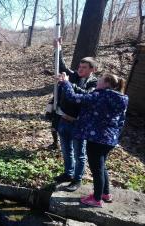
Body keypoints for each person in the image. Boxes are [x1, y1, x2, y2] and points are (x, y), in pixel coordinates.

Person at [58, 73, 128, 208]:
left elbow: (73, 98)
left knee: (97, 169)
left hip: (96, 138)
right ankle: (105, 194)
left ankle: (96, 199)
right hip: (110, 138)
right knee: (102, 166)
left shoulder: (99, 96)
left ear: (106, 83)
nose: (97, 83)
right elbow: (121, 121)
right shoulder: (121, 98)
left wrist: (65, 82)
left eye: (100, 80)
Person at [53, 39, 98, 192]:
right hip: (64, 121)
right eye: (79, 66)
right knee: (66, 150)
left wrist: (68, 84)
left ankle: (77, 180)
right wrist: (58, 49)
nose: (80, 69)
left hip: (79, 124)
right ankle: (68, 174)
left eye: (84, 67)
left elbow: (86, 96)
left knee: (79, 154)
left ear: (92, 70)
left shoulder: (95, 83)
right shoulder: (73, 76)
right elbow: (62, 66)